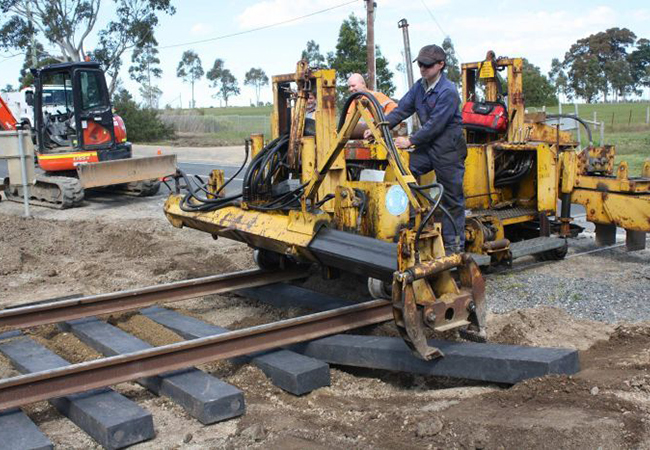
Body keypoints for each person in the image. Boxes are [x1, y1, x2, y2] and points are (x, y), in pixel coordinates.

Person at [366, 44, 467, 253]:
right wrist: (379, 126)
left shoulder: (448, 92)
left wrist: (410, 141)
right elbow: (402, 109)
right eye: (420, 64)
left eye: (427, 65)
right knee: (404, 173)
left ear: (440, 65)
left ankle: (453, 247)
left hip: (448, 149)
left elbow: (436, 124)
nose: (422, 69)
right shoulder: (419, 87)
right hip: (429, 147)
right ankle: (412, 224)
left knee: (451, 198)